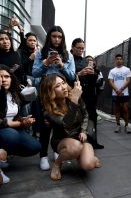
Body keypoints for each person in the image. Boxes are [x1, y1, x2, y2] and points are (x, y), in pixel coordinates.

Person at [40, 73, 101, 181]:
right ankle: (57, 164)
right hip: (62, 141)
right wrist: (75, 100)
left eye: (63, 83)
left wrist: (83, 130)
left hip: (79, 138)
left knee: (88, 165)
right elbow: (66, 124)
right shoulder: (47, 111)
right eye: (57, 86)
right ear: (50, 92)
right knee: (75, 147)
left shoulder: (74, 98)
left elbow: (86, 115)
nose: (63, 87)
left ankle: (84, 156)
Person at [32, 26, 76, 171]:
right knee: (45, 125)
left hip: (61, 94)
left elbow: (71, 76)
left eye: (59, 37)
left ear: (62, 38)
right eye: (54, 36)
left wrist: (62, 65)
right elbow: (35, 73)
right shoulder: (40, 53)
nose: (57, 39)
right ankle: (43, 156)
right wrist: (46, 63)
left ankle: (57, 152)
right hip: (46, 93)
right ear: (49, 37)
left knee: (59, 124)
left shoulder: (68, 55)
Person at [0, 65, 41, 157]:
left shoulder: (14, 93)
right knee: (11, 135)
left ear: (11, 78)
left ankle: (6, 153)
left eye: (6, 76)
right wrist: (19, 123)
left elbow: (17, 115)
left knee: (35, 146)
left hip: (12, 130)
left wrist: (24, 120)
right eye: (0, 77)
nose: (3, 80)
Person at [71, 38, 103, 149]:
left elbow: (94, 80)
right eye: (78, 48)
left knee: (92, 117)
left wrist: (93, 73)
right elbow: (66, 77)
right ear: (72, 47)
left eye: (82, 48)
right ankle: (77, 143)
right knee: (75, 118)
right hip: (75, 93)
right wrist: (79, 74)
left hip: (89, 94)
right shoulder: (69, 59)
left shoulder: (85, 61)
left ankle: (93, 141)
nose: (80, 50)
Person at [108, 54, 131, 134]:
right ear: (115, 60)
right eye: (117, 59)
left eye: (120, 59)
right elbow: (110, 81)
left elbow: (128, 81)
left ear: (123, 60)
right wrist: (116, 90)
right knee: (117, 109)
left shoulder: (127, 70)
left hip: (124, 93)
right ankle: (118, 125)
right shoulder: (112, 71)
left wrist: (121, 90)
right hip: (115, 94)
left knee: (125, 109)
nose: (119, 60)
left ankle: (126, 126)